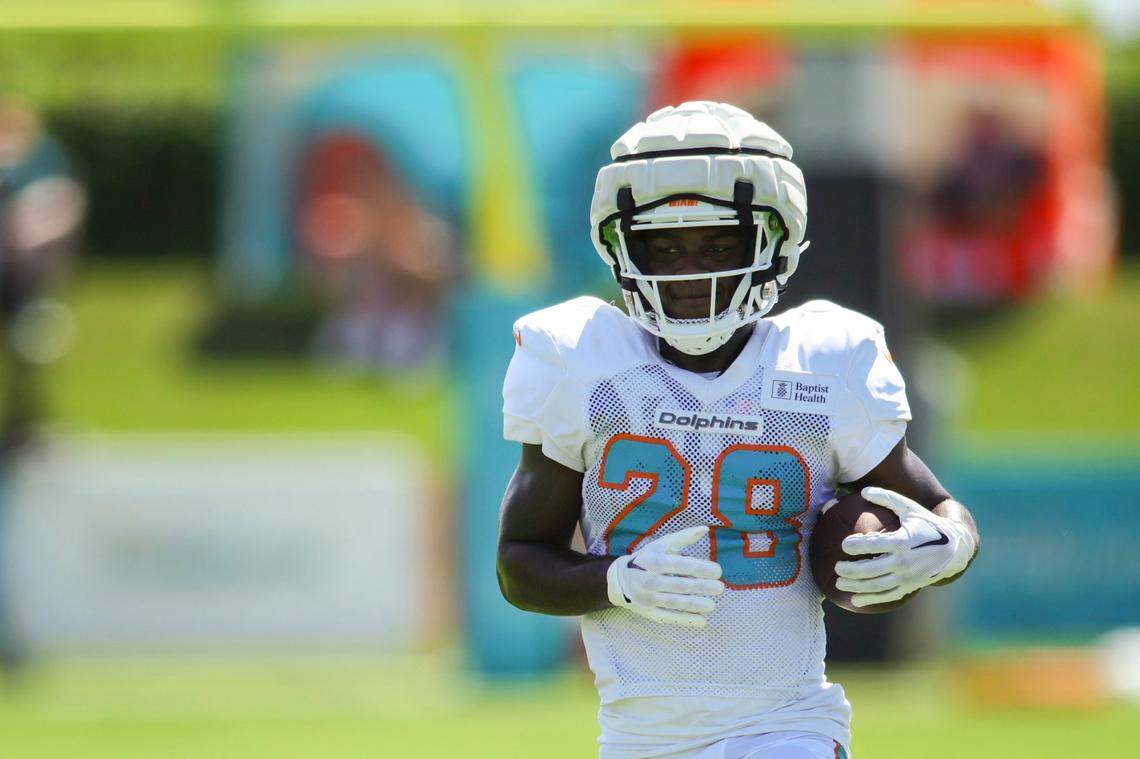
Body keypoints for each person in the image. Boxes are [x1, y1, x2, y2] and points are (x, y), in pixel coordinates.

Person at [496, 102, 979, 758]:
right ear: (619, 245)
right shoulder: (581, 359)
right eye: (661, 244)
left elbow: (944, 513)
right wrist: (617, 579)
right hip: (638, 738)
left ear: (777, 240)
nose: (692, 269)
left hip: (788, 726)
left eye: (721, 242)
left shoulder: (824, 361)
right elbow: (519, 563)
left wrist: (936, 548)